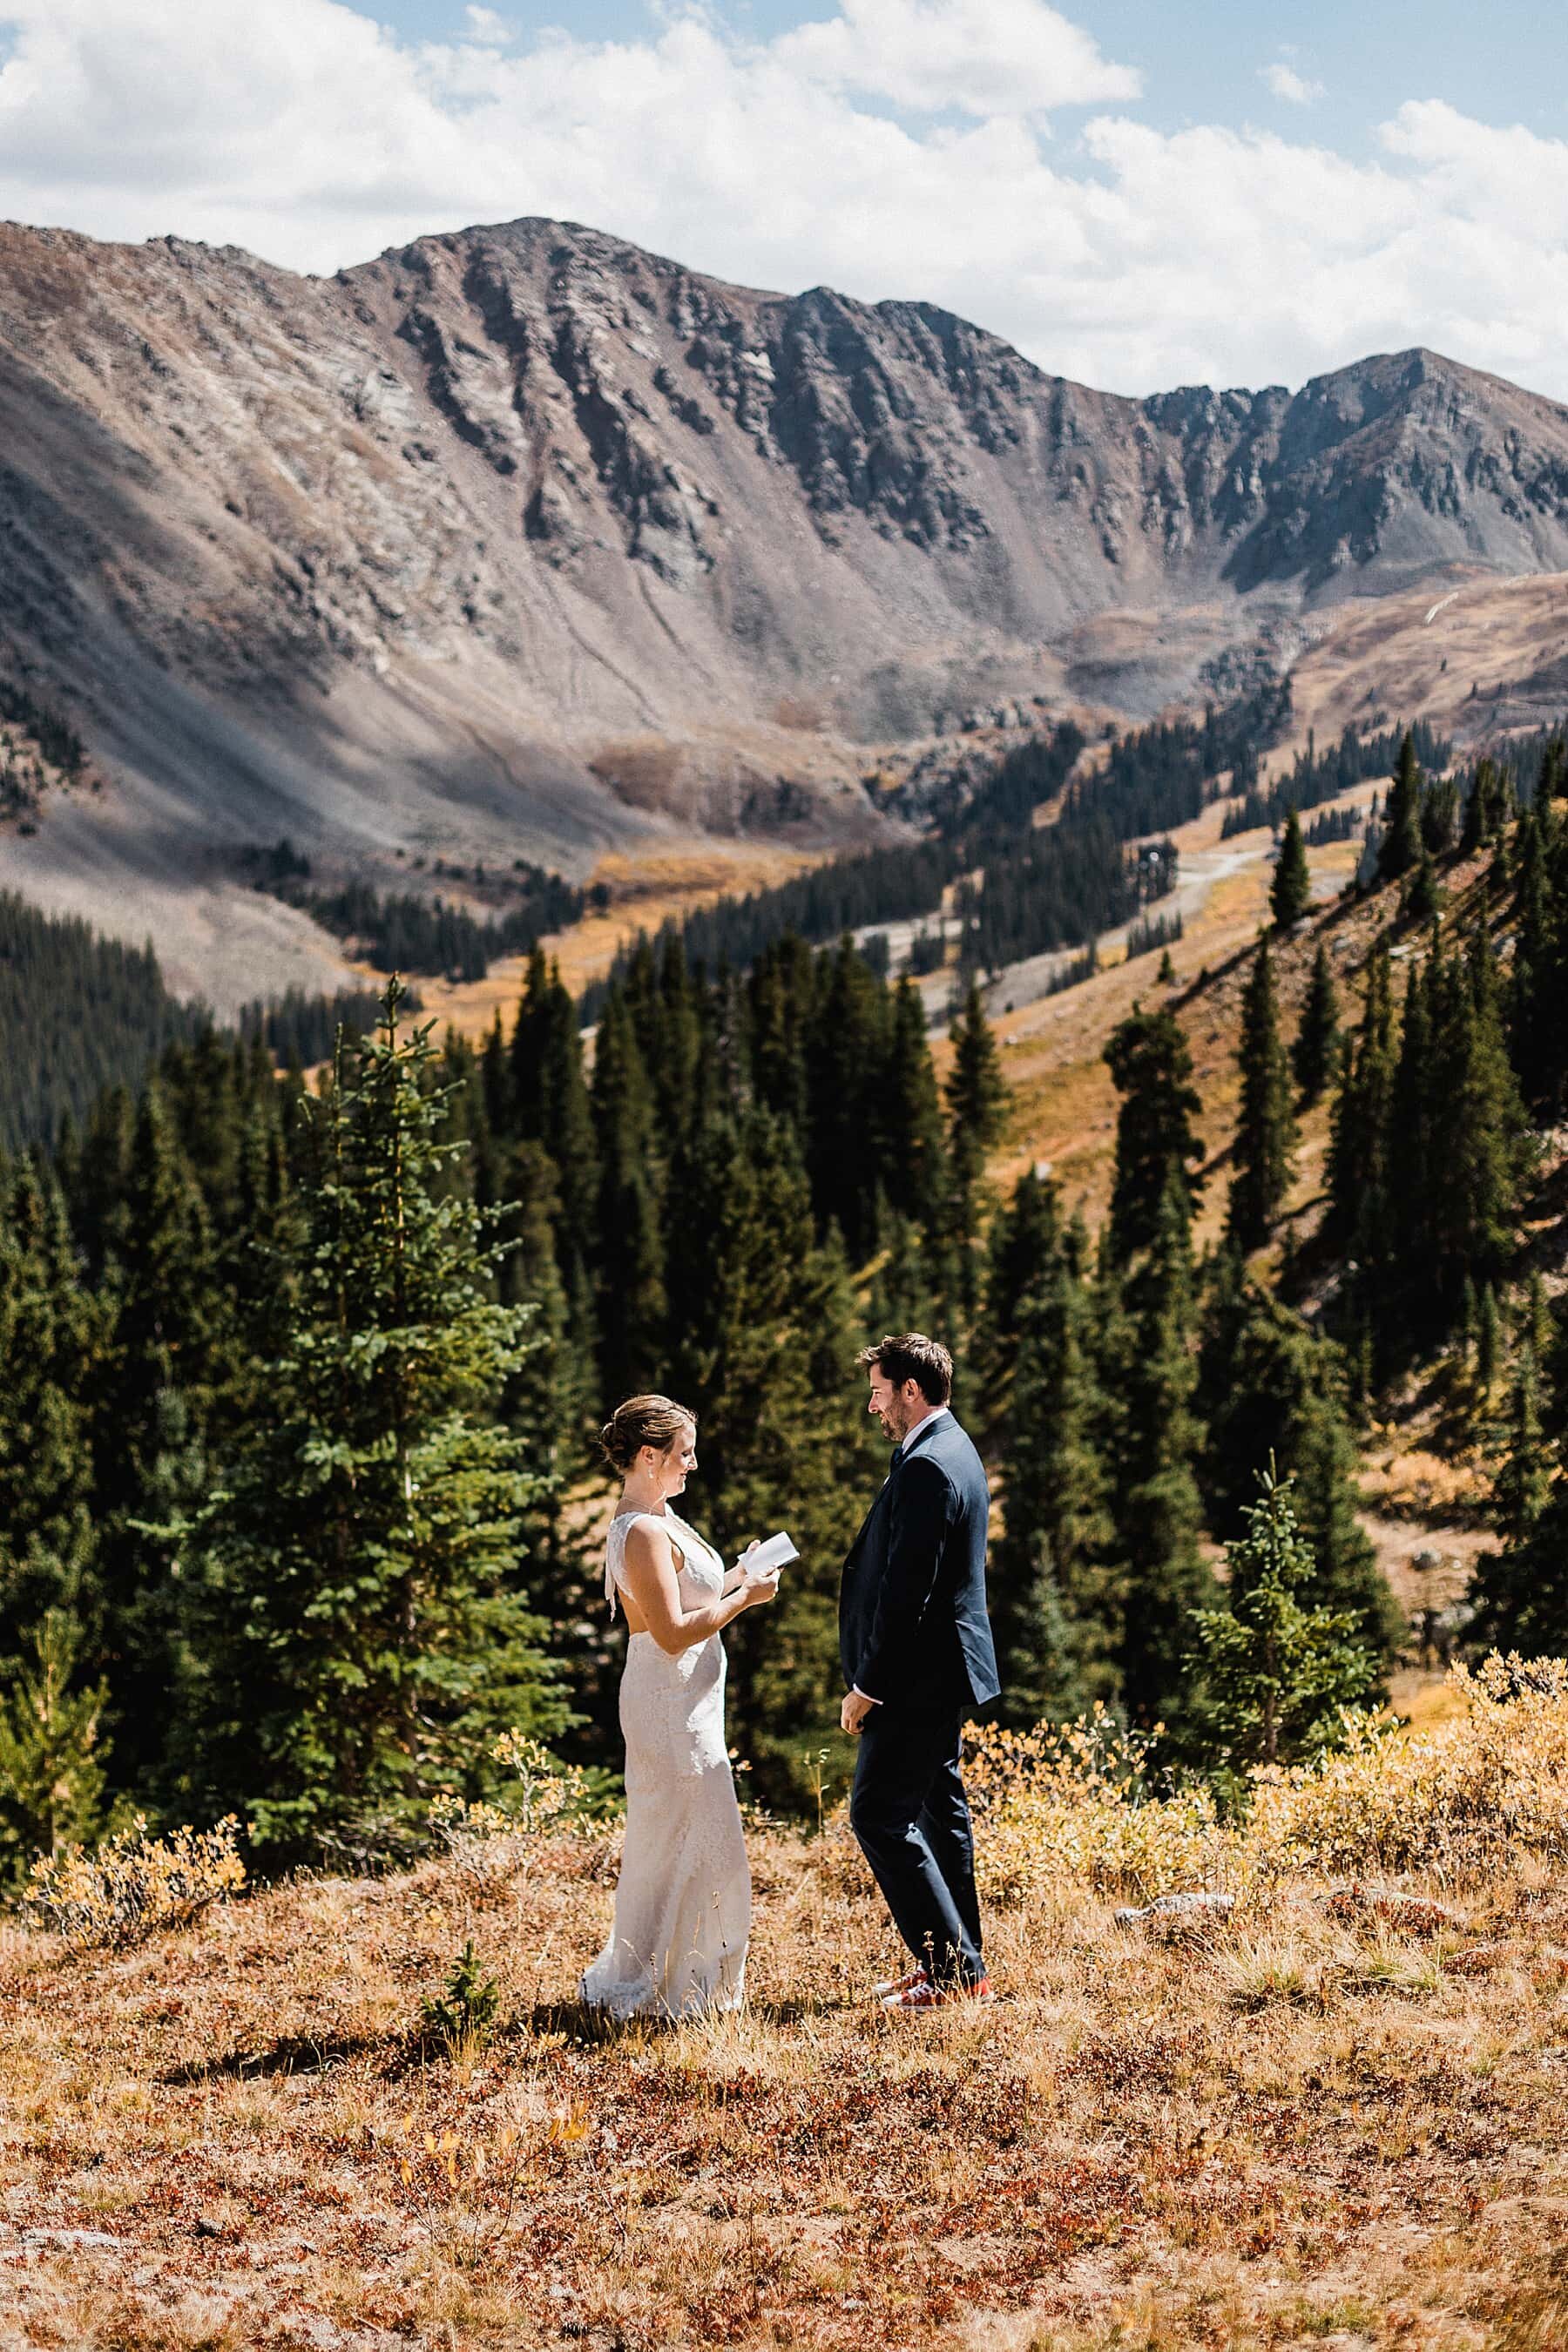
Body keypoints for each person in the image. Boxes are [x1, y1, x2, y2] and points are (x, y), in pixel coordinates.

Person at [581, 1394, 780, 2018]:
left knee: (689, 1839)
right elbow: (669, 1632)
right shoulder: (640, 1531)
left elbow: (689, 1597)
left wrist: (737, 1574)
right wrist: (744, 1600)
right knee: (683, 1840)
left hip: (689, 1703)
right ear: (648, 1456)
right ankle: (674, 1986)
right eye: (683, 1454)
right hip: (668, 1708)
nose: (692, 1464)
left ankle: (690, 1977)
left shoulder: (659, 1517)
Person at [839, 1333, 1001, 2009]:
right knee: (941, 1813)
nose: (873, 1408)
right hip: (940, 1671)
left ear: (911, 1390)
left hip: (914, 1678)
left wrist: (867, 1688)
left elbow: (910, 1595)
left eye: (879, 1393)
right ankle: (957, 1959)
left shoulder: (928, 1466)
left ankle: (955, 1976)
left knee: (877, 1815)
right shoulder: (950, 1447)